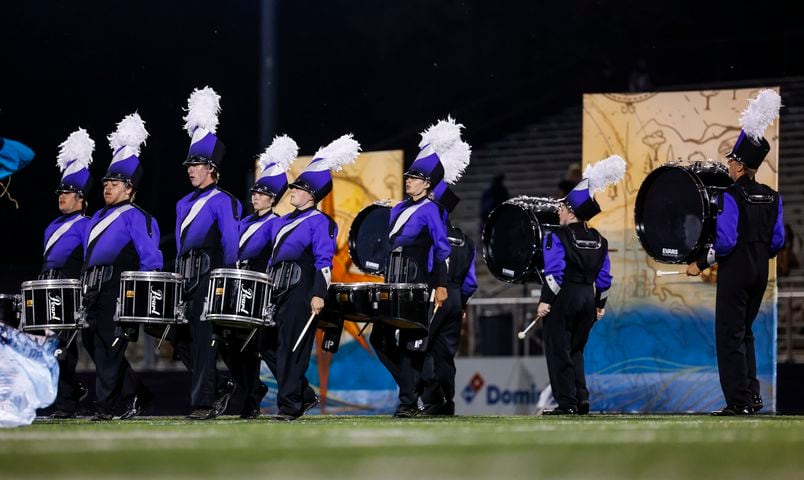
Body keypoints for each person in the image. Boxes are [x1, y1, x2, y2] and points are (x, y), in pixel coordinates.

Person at [686, 89, 784, 416]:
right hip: (760, 271)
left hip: (736, 271)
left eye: (731, 160)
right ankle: (752, 396)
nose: (728, 164)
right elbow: (777, 241)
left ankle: (738, 401)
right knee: (746, 334)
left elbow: (725, 242)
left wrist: (700, 263)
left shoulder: (729, 195)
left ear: (740, 166)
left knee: (729, 336)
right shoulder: (773, 196)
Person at [261, 134, 359, 420]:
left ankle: (289, 406)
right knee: (267, 345)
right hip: (277, 287)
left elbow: (324, 261)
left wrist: (318, 293)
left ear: (311, 195)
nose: (292, 191)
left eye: (299, 188)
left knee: (293, 349)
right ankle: (302, 394)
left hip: (302, 288)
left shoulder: (320, 222)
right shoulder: (282, 221)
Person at [371, 118, 457, 418]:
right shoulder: (398, 208)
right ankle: (421, 383)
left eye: (414, 177)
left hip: (416, 279)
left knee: (409, 340)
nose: (408, 180)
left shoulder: (432, 209)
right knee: (379, 338)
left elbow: (442, 248)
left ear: (427, 183)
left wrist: (441, 285)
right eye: (408, 176)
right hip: (392, 279)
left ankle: (407, 402)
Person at [82, 113, 161, 420]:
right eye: (106, 182)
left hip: (118, 288)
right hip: (93, 289)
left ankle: (104, 407)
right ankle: (136, 393)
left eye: (115, 183)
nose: (108, 187)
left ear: (129, 189)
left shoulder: (135, 216)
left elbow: (150, 257)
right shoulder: (97, 217)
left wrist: (142, 295)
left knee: (111, 348)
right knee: (95, 345)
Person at [537, 155, 624, 415]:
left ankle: (567, 403)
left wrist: (545, 301)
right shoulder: (600, 239)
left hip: (564, 297)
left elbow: (554, 275)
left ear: (572, 212)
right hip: (588, 297)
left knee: (558, 351)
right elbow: (605, 279)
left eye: (563, 207)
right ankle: (581, 399)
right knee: (576, 350)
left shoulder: (556, 236)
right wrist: (599, 305)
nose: (559, 211)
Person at [174, 87, 240, 420]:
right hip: (184, 275)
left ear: (211, 167)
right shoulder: (182, 203)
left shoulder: (223, 200)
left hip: (210, 272)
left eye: (197, 164)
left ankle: (203, 403)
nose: (190, 169)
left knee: (203, 340)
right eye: (189, 164)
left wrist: (225, 279)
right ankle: (221, 386)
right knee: (179, 337)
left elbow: (230, 243)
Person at [223, 135, 298, 419]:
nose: (255, 196)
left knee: (263, 347)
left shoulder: (277, 223)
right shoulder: (243, 222)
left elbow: (274, 257)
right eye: (254, 191)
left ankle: (298, 393)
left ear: (273, 197)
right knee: (233, 346)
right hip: (237, 287)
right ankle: (253, 390)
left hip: (260, 288)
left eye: (262, 193)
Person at [38, 128, 94, 418]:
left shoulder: (87, 224)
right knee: (51, 349)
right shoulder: (51, 225)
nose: (62, 197)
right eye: (60, 192)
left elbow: (88, 258)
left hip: (71, 288)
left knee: (64, 349)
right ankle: (69, 394)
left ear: (81, 197)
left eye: (68, 193)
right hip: (49, 286)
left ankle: (67, 403)